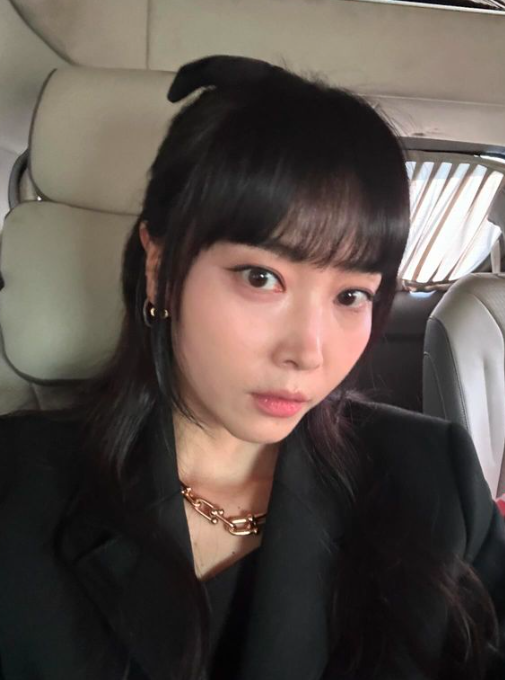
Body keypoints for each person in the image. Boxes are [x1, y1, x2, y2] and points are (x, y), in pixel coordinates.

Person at [0, 55, 504, 680]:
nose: (308, 352)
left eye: (352, 295)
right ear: (159, 269)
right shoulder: (18, 490)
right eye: (261, 278)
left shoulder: (434, 484)